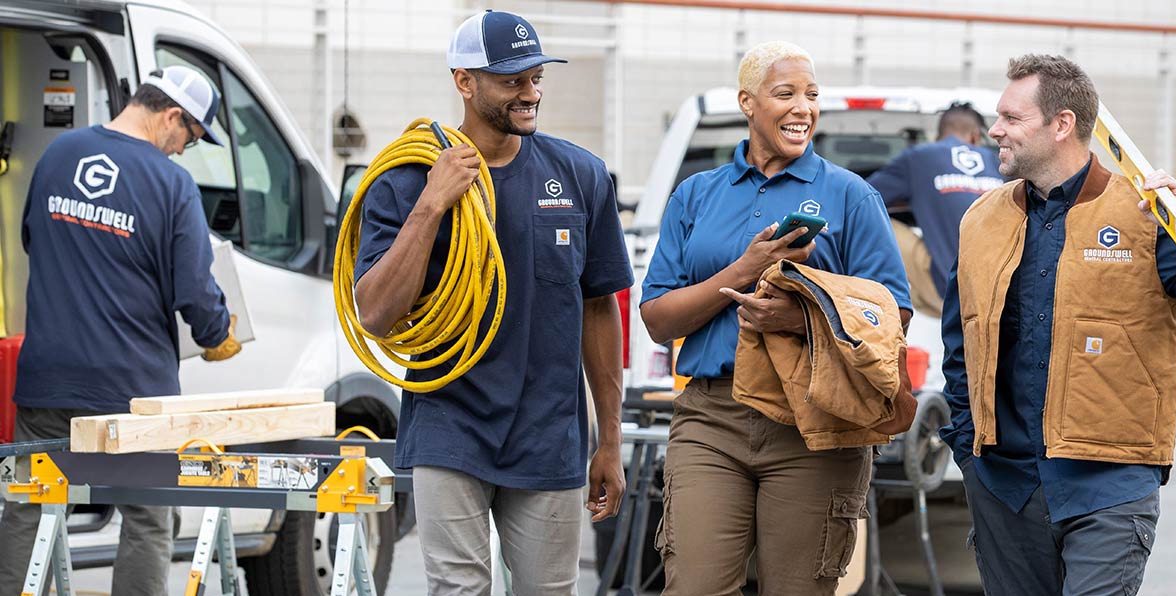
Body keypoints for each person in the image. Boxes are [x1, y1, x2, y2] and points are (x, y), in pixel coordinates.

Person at [352, 10, 632, 594]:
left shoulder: (580, 176)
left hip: (549, 434)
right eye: (511, 81)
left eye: (535, 78)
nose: (530, 93)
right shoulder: (405, 180)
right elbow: (374, 314)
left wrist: (610, 439)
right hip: (449, 424)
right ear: (464, 81)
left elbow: (599, 308)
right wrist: (432, 203)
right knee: (459, 589)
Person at [939, 54, 1176, 596]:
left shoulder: (1144, 214)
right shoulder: (980, 221)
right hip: (1006, 490)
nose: (995, 129)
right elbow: (960, 345)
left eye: (1011, 117)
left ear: (1062, 125)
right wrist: (968, 450)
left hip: (1109, 485)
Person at [640, 41, 915, 594]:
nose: (803, 108)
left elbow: (893, 315)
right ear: (748, 102)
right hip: (709, 419)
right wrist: (744, 269)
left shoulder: (850, 196)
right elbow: (657, 319)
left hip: (815, 423)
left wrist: (801, 319)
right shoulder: (695, 195)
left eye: (812, 96)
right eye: (785, 93)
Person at [0, 65, 240, 593]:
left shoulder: (58, 155)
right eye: (191, 138)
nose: (183, 151)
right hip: (133, 395)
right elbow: (196, 294)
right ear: (172, 116)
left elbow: (29, 241)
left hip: (48, 382)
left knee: (29, 504)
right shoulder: (172, 184)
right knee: (148, 517)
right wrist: (218, 332)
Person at [867, 101, 1004, 316]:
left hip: (948, 288)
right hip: (1002, 292)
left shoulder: (919, 157)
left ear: (939, 135)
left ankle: (886, 299)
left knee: (872, 219)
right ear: (975, 136)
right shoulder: (997, 162)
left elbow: (863, 197)